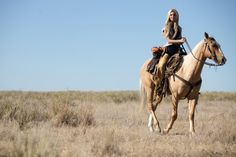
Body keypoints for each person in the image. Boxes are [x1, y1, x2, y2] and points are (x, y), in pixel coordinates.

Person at [154, 9, 186, 95]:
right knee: (161, 66)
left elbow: (179, 40)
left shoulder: (179, 28)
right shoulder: (166, 27)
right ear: (169, 16)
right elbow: (169, 40)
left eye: (174, 15)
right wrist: (180, 40)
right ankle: (158, 85)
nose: (172, 16)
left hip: (178, 50)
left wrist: (182, 40)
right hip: (169, 49)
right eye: (171, 15)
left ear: (177, 16)